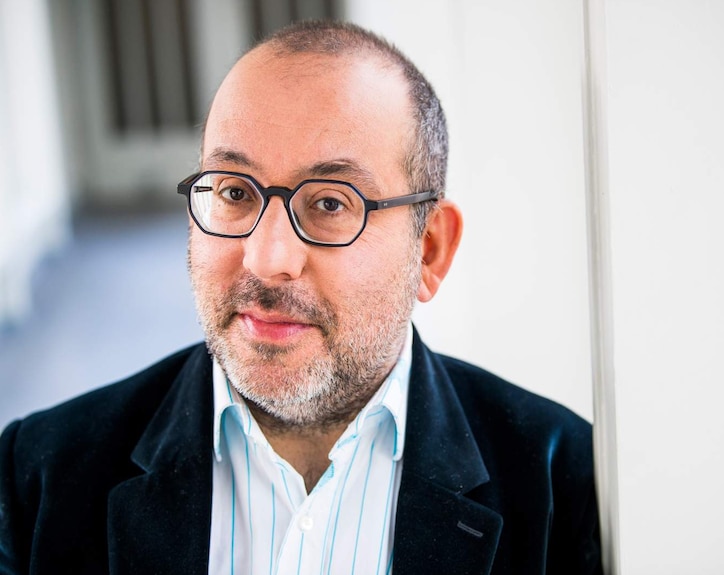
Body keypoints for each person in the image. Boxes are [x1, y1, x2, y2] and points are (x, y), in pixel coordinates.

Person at [0, 20, 601, 574]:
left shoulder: (567, 484)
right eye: (234, 192)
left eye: (331, 202)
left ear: (431, 250)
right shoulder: (37, 477)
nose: (266, 259)